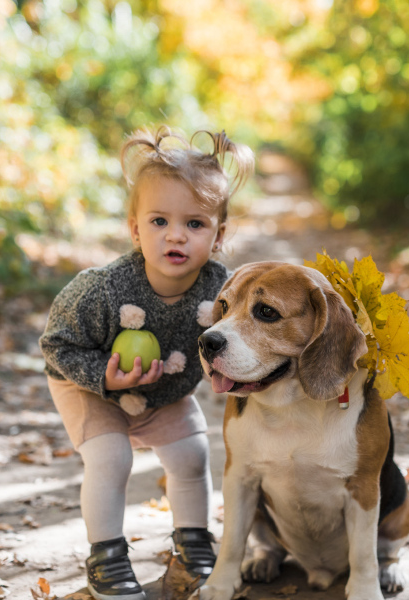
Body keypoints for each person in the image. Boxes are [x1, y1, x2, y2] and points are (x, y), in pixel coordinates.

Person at [40, 126, 254, 600]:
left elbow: (239, 339)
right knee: (110, 457)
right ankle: (108, 558)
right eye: (159, 221)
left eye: (195, 224)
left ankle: (194, 545)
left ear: (218, 236)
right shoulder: (103, 288)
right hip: (88, 382)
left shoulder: (222, 288)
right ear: (135, 229)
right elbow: (56, 345)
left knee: (191, 456)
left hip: (165, 388)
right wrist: (102, 376)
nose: (176, 235)